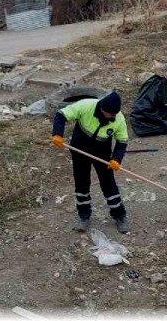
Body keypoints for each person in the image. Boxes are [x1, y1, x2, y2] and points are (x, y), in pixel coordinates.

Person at [51, 90, 130, 234]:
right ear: (103, 109)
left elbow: (122, 141)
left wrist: (116, 159)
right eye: (111, 114)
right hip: (79, 151)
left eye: (115, 114)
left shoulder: (118, 119)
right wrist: (57, 134)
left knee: (108, 184)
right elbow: (61, 115)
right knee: (81, 184)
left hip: (102, 154)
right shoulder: (85, 106)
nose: (113, 117)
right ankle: (84, 216)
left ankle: (120, 215)